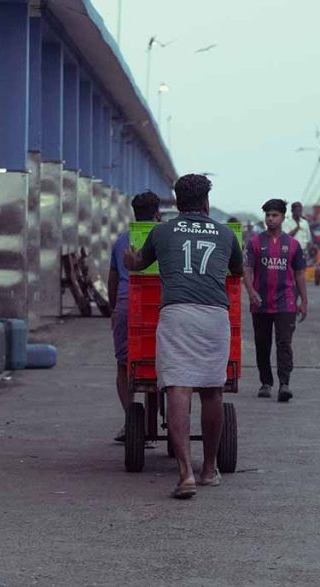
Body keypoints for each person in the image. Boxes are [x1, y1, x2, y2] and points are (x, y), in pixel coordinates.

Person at [124, 174, 244, 499]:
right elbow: (237, 271)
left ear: (176, 203)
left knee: (178, 388)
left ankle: (185, 474)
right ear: (206, 203)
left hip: (177, 313)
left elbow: (138, 264)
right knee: (212, 391)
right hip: (215, 316)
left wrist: (129, 258)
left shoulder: (161, 231)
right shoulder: (223, 233)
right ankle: (208, 469)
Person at [108, 191, 160, 443]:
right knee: (161, 365)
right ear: (157, 213)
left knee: (125, 365)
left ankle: (132, 420)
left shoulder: (121, 241)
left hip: (127, 305)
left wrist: (113, 310)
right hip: (161, 305)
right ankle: (166, 418)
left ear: (134, 213)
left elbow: (113, 280)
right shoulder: (165, 237)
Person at [244, 199, 308, 402]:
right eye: (267, 215)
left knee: (284, 344)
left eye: (274, 215)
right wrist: (251, 292)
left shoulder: (293, 245)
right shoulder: (255, 243)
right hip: (260, 303)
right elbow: (247, 269)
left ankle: (284, 384)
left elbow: (299, 274)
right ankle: (265, 382)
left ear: (282, 217)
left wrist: (304, 301)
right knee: (262, 344)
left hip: (286, 303)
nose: (270, 219)